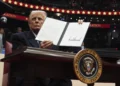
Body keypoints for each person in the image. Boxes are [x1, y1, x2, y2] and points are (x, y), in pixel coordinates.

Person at [11, 10, 72, 86]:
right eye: (33, 19)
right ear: (29, 23)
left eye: (40, 19)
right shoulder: (18, 37)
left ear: (46, 23)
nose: (36, 21)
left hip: (53, 78)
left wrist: (79, 28)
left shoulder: (55, 38)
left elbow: (74, 49)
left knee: (65, 79)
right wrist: (40, 50)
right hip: (30, 76)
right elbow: (20, 60)